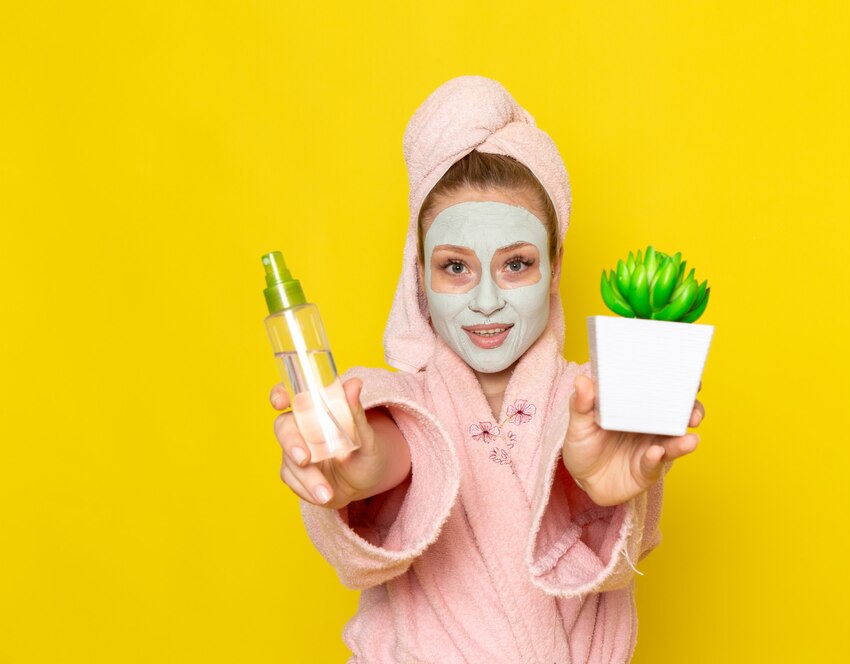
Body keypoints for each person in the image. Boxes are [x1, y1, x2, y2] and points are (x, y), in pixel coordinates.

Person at [268, 75, 705, 663]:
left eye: (516, 264)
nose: (486, 301)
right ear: (418, 274)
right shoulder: (391, 402)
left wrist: (598, 495)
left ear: (555, 266)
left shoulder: (599, 403)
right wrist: (358, 470)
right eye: (455, 268)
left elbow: (611, 527)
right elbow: (394, 448)